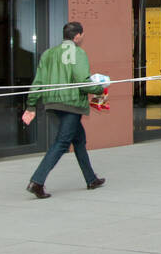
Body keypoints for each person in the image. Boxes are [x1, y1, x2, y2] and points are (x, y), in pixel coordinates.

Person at [23, 22, 105, 198]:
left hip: (53, 103)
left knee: (79, 139)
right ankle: (37, 182)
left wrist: (31, 105)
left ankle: (91, 179)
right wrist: (100, 88)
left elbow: (38, 82)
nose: (82, 38)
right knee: (62, 142)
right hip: (72, 104)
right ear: (77, 36)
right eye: (82, 35)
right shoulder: (78, 53)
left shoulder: (48, 54)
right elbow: (83, 81)